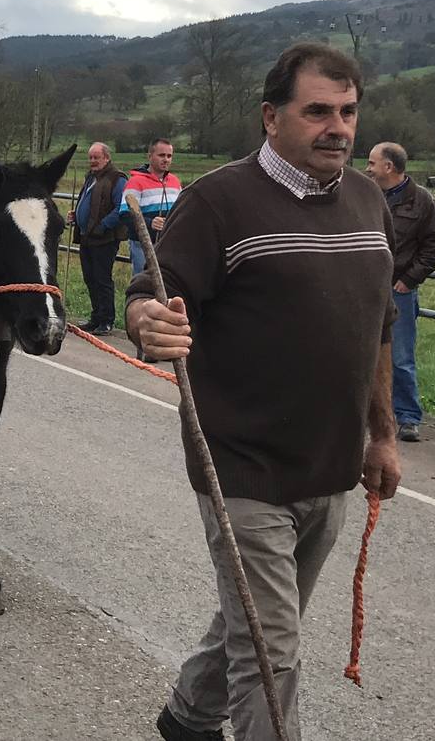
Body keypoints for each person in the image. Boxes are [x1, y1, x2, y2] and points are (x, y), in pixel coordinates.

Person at [126, 43, 400, 741]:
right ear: (270, 117)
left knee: (255, 622)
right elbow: (150, 295)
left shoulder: (369, 199)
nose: (337, 127)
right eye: (316, 111)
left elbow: (376, 331)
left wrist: (384, 434)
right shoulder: (218, 200)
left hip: (330, 467)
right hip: (240, 463)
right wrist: (147, 322)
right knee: (271, 650)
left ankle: (187, 717)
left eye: (346, 111)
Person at [365, 141, 435, 442]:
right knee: (359, 351)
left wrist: (410, 279)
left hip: (398, 288)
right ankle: (364, 413)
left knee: (400, 355)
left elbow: (434, 246)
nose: (368, 168)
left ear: (389, 167)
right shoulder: (364, 193)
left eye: (372, 163)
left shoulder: (421, 200)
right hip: (365, 285)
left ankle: (408, 417)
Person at [70, 141, 128, 333]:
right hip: (87, 237)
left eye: (97, 157)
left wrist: (102, 226)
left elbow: (121, 207)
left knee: (102, 279)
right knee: (90, 278)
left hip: (104, 239)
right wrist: (76, 215)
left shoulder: (116, 179)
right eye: (91, 157)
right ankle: (95, 318)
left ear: (107, 158)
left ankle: (107, 320)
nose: (93, 161)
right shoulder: (91, 178)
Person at [121, 138, 181, 275]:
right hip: (142, 245)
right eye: (161, 155)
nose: (166, 159)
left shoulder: (175, 181)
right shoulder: (135, 182)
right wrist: (150, 223)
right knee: (144, 283)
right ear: (150, 156)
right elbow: (125, 215)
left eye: (169, 156)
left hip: (168, 245)